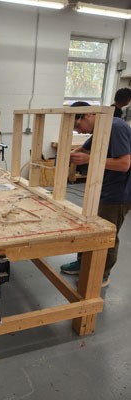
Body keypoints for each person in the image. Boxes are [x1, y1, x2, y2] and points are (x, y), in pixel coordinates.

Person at [60, 101, 131, 287]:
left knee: (107, 232)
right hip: (102, 186)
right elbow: (84, 149)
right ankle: (82, 262)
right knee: (87, 225)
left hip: (119, 191)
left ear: (89, 115)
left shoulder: (116, 127)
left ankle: (102, 274)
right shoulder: (99, 130)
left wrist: (89, 159)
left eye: (77, 125)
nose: (79, 131)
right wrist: (68, 155)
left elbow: (124, 164)